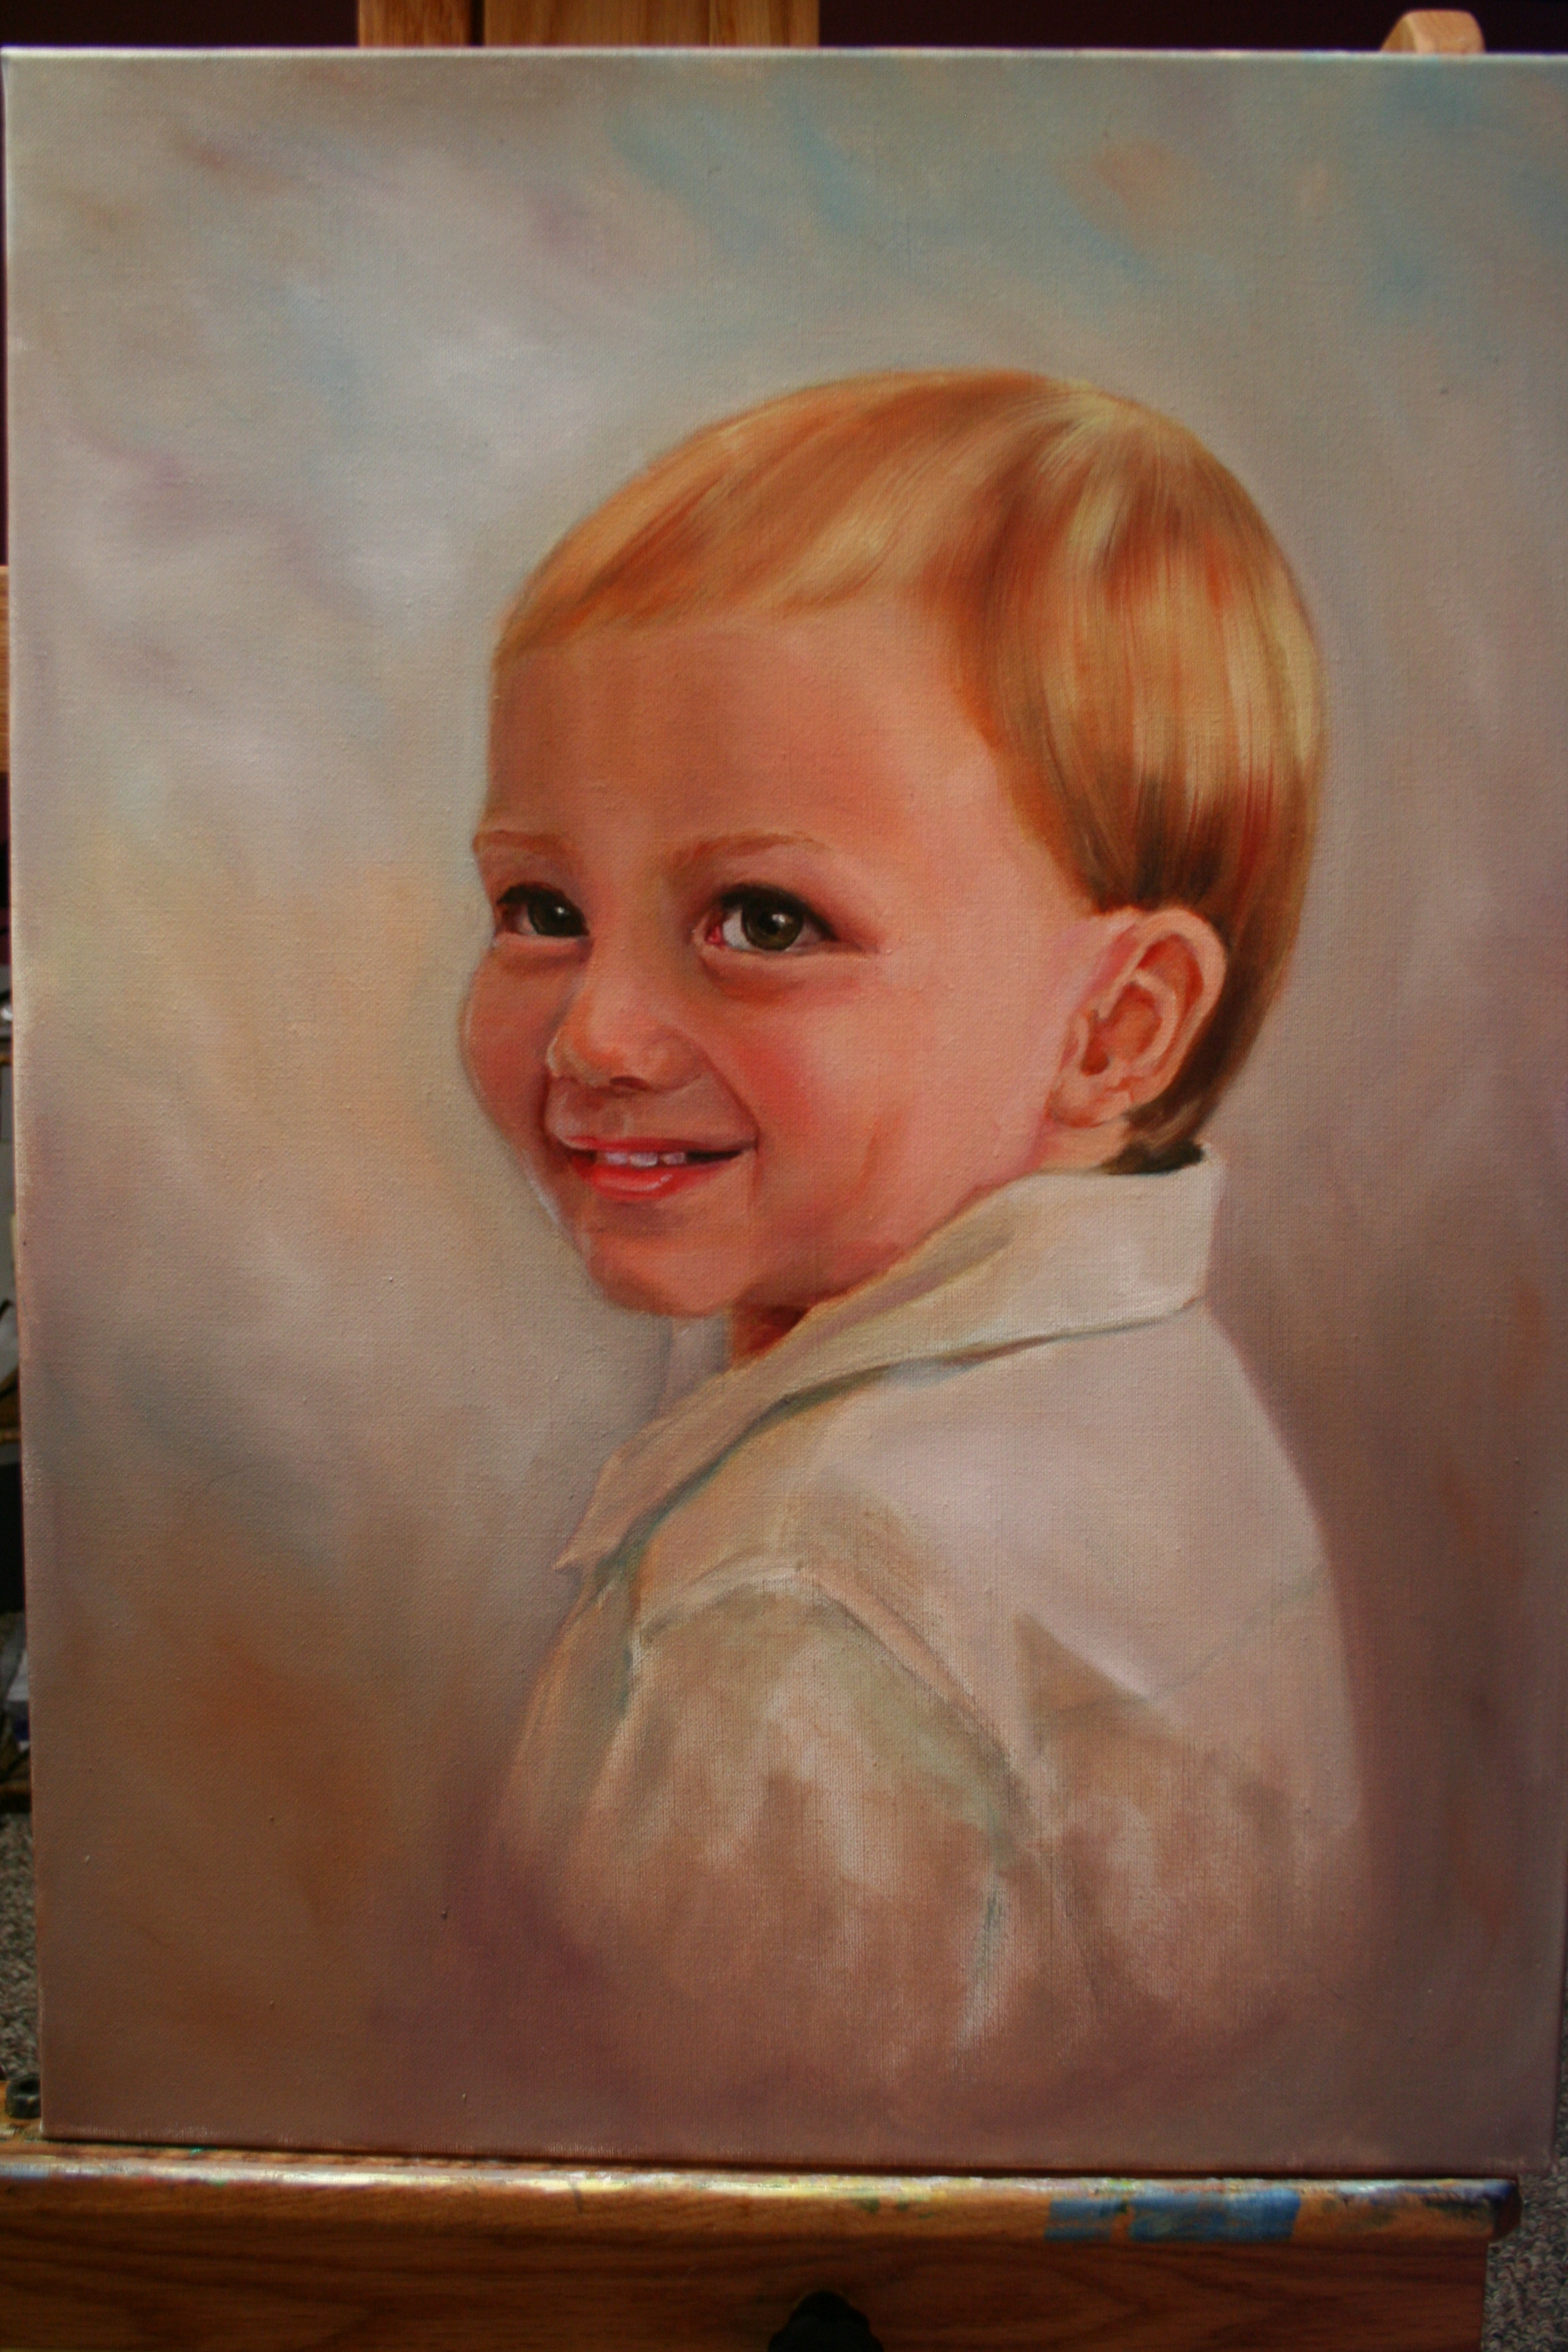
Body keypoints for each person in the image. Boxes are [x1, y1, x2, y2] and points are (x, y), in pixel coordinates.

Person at [458, 370, 1365, 2164]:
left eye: (766, 921)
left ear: (1116, 1027)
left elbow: (687, 2211)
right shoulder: (1137, 1389)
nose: (598, 1034)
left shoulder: (795, 1611)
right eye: (541, 909)